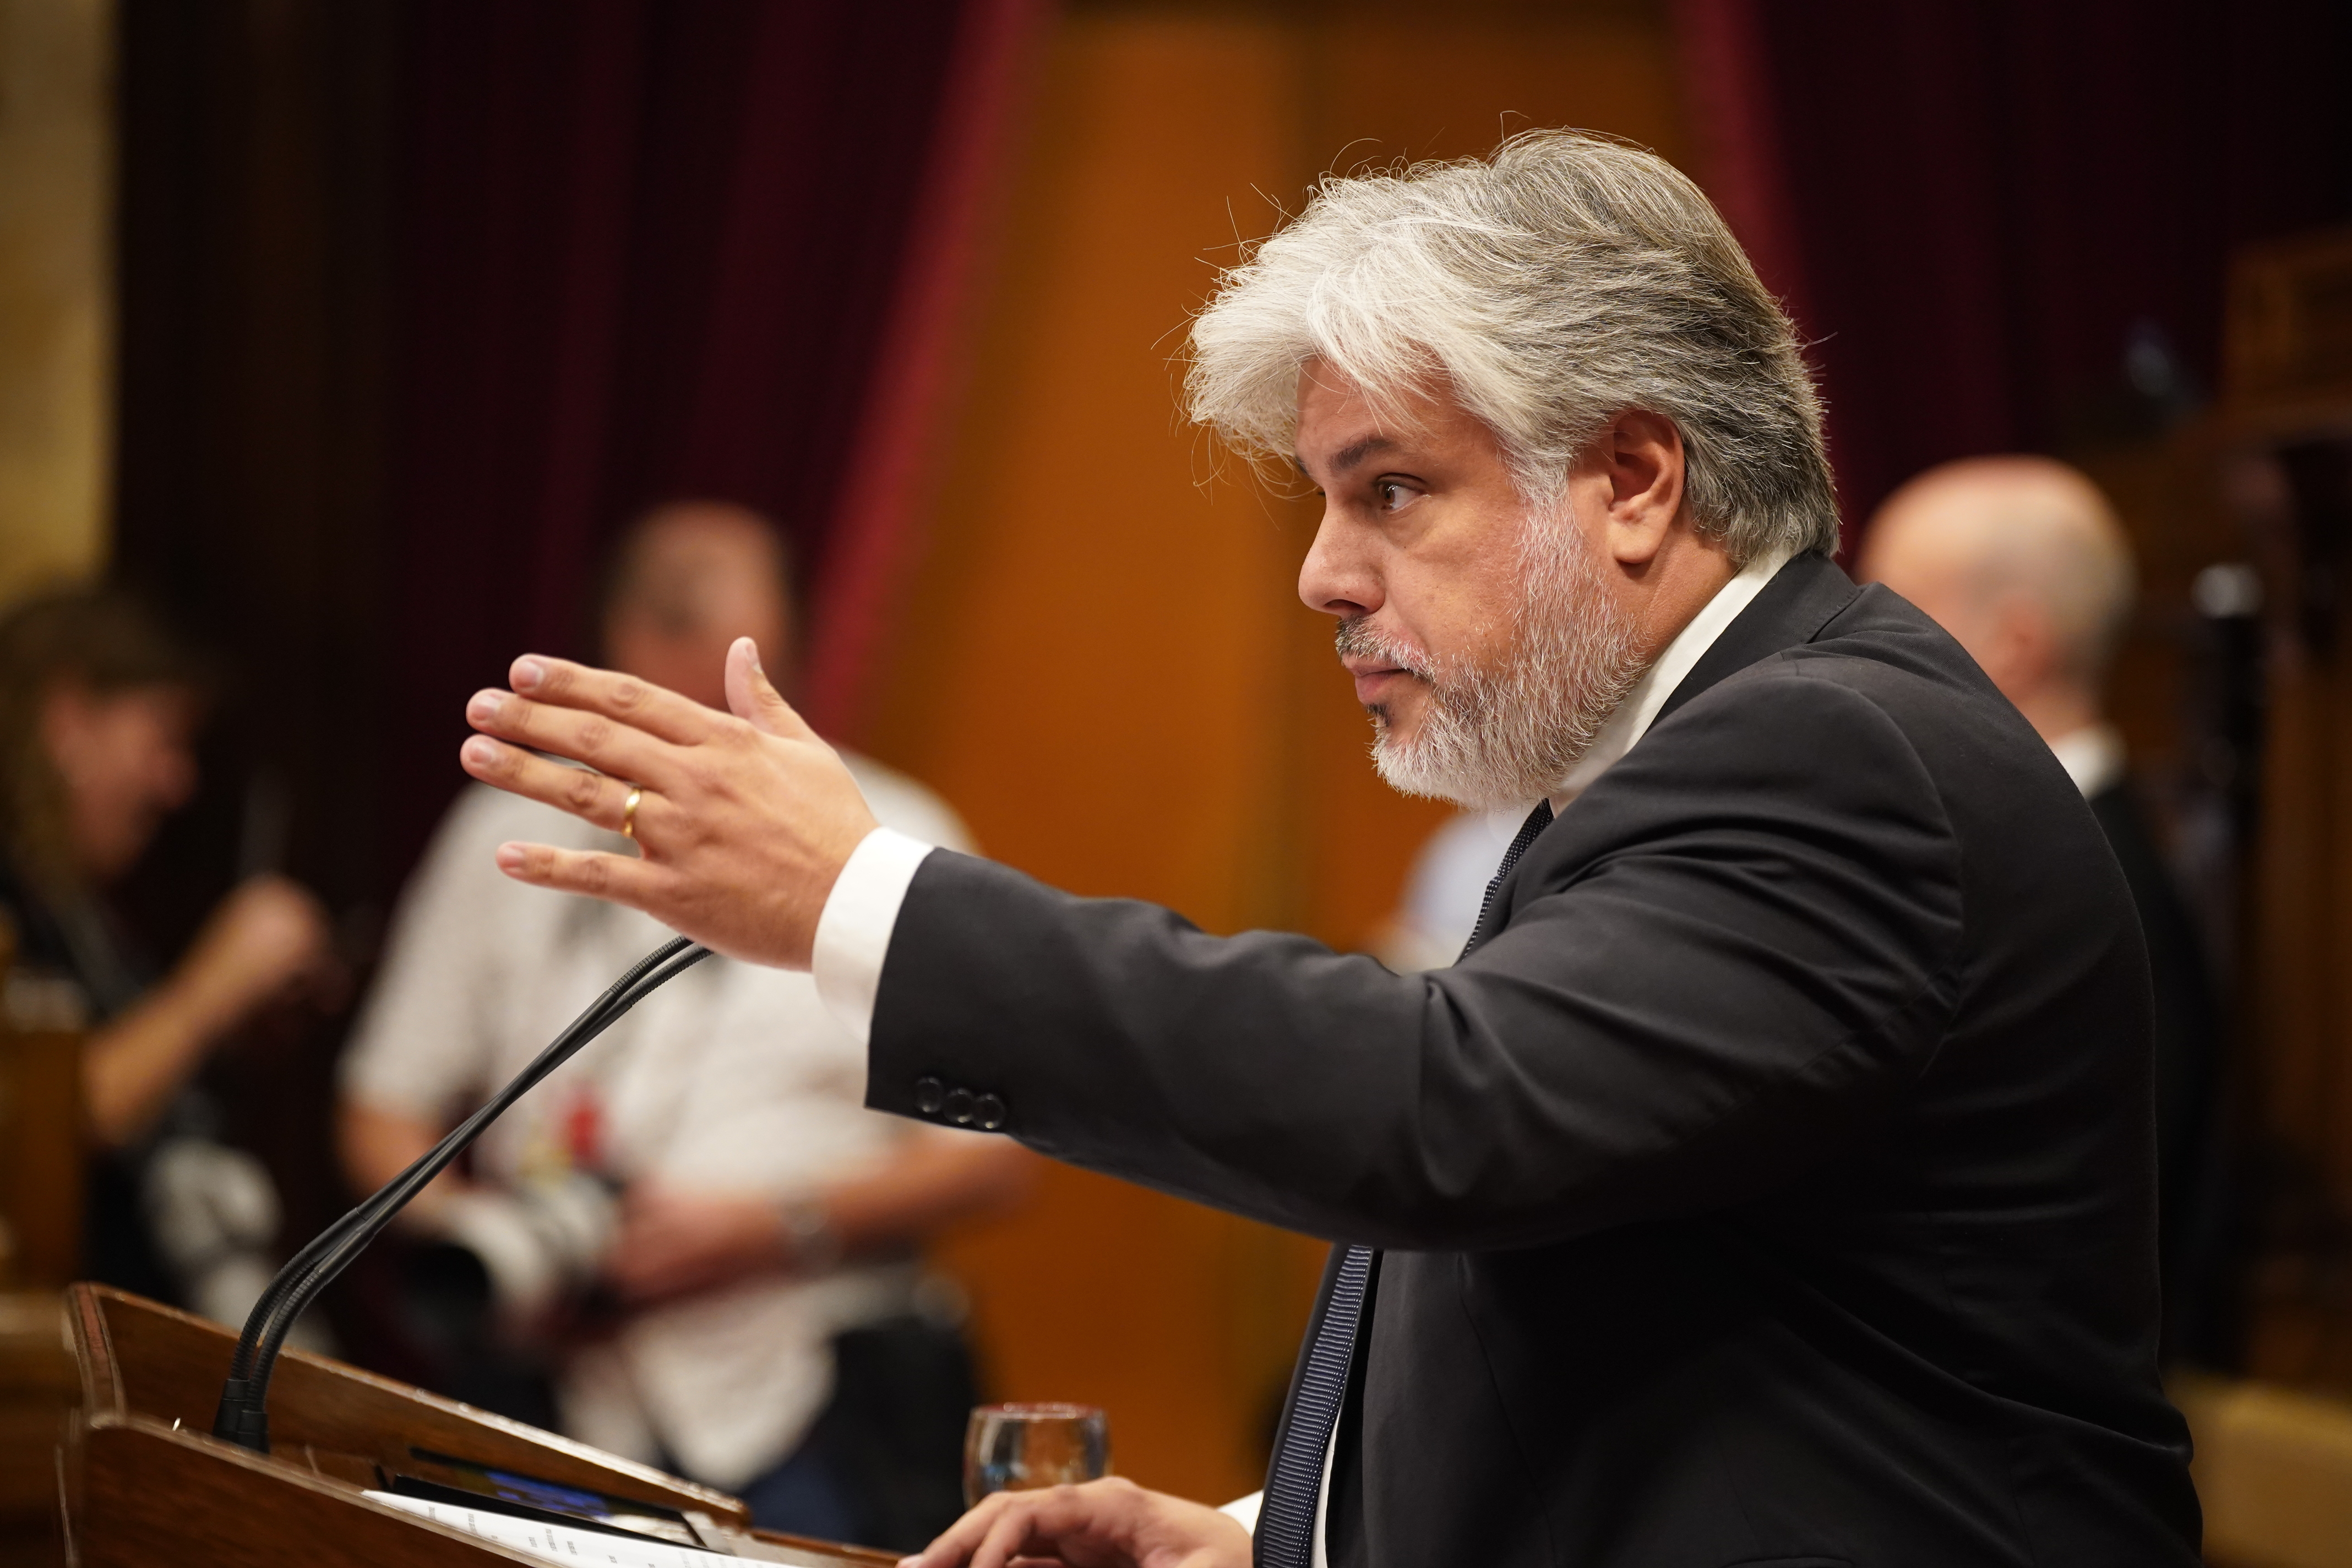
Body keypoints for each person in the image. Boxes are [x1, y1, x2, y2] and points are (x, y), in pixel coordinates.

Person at [448, 134, 2201, 1566]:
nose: (1325, 574)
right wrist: (1279, 1536)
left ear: (1638, 480)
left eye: (1392, 490)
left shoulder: (1836, 754)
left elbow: (1443, 1116)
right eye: (1325, 498)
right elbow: (1638, 1310)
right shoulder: (1677, 760)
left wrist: (861, 900)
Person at [338, 500, 1030, 1546]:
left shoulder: (901, 837)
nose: (689, 665)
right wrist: (487, 1248)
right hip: (551, 1403)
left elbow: (998, 1159)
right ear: (610, 641)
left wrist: (773, 1229)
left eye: (723, 637)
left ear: (786, 650)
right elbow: (379, 1108)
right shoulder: (503, 833)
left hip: (812, 1401)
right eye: (663, 622)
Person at [1858, 456, 2228, 1355]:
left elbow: (2068, 1246)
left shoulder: (2086, 883)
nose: (1842, 657)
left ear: (2015, 646)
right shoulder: (2058, 849)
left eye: (1887, 616)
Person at [0, 586, 335, 1319]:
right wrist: (216, 982)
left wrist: (232, 1032)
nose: (177, 784)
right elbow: (48, 1124)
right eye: (163, 740)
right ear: (68, 718)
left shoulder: (78, 905)